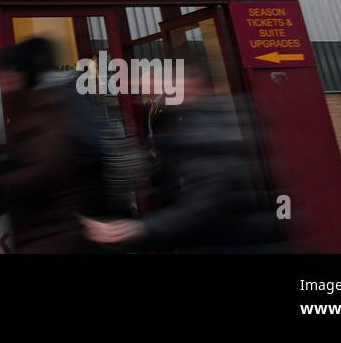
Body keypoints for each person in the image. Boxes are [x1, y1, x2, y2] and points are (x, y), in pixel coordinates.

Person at [82, 58, 279, 253]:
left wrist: (143, 228)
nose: (152, 94)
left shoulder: (209, 126)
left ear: (192, 83)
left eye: (162, 83)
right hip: (200, 236)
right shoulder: (172, 121)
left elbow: (209, 198)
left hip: (232, 240)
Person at [0, 37, 101, 253]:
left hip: (57, 233)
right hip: (49, 230)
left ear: (20, 73)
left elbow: (45, 169)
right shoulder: (32, 106)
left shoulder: (47, 106)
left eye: (3, 74)